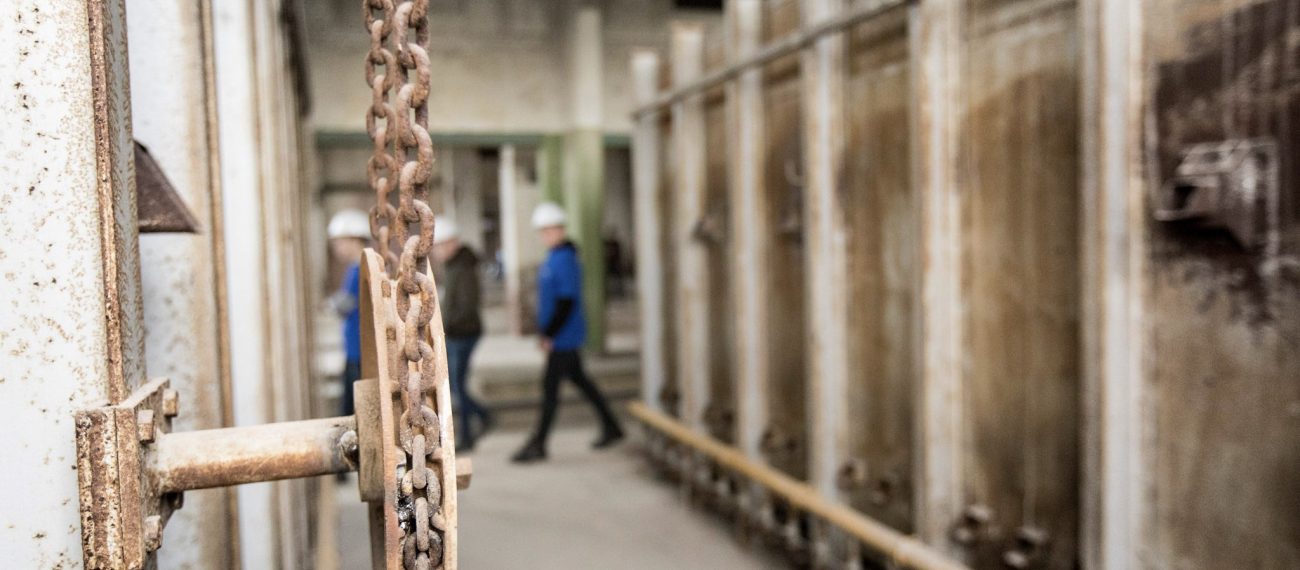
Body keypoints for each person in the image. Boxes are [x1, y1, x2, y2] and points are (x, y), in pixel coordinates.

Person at [512, 202, 625, 463]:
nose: (546, 235)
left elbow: (566, 302)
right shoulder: (554, 257)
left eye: (550, 230)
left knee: (550, 389)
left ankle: (539, 442)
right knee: (582, 383)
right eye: (543, 231)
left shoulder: (565, 259)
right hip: (560, 336)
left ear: (560, 230)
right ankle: (612, 426)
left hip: (564, 337)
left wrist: (549, 334)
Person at [433, 216, 492, 451]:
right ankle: (470, 430)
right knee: (456, 385)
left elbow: (467, 307)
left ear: (451, 243)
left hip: (463, 333)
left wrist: (446, 326)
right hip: (457, 333)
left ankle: (480, 420)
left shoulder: (463, 268)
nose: (436, 252)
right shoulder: (453, 267)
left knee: (457, 386)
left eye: (438, 246)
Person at [326, 209, 371, 418]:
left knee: (352, 410)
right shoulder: (358, 268)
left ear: (354, 239)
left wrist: (332, 304)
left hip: (360, 351)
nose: (336, 248)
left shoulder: (359, 269)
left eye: (339, 242)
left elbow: (345, 304)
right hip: (356, 347)